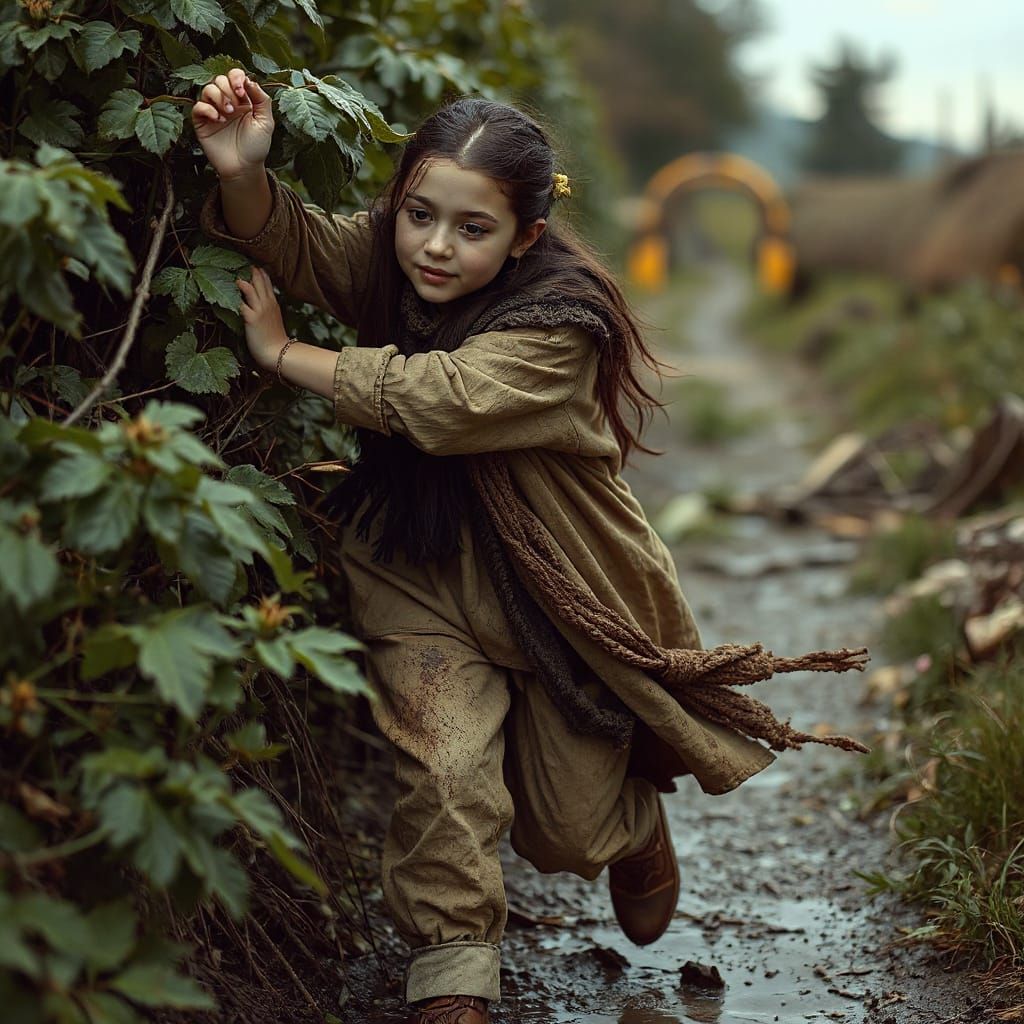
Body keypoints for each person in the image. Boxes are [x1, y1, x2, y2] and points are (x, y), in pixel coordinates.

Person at [191, 69, 867, 1024]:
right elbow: (294, 245)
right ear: (398, 203)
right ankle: (454, 981)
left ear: (525, 239)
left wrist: (284, 356)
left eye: (473, 229)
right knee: (443, 766)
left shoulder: (560, 323)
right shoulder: (392, 261)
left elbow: (444, 400)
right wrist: (243, 173)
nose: (435, 246)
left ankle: (632, 833)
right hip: (415, 569)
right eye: (418, 214)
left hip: (562, 585)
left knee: (565, 832)